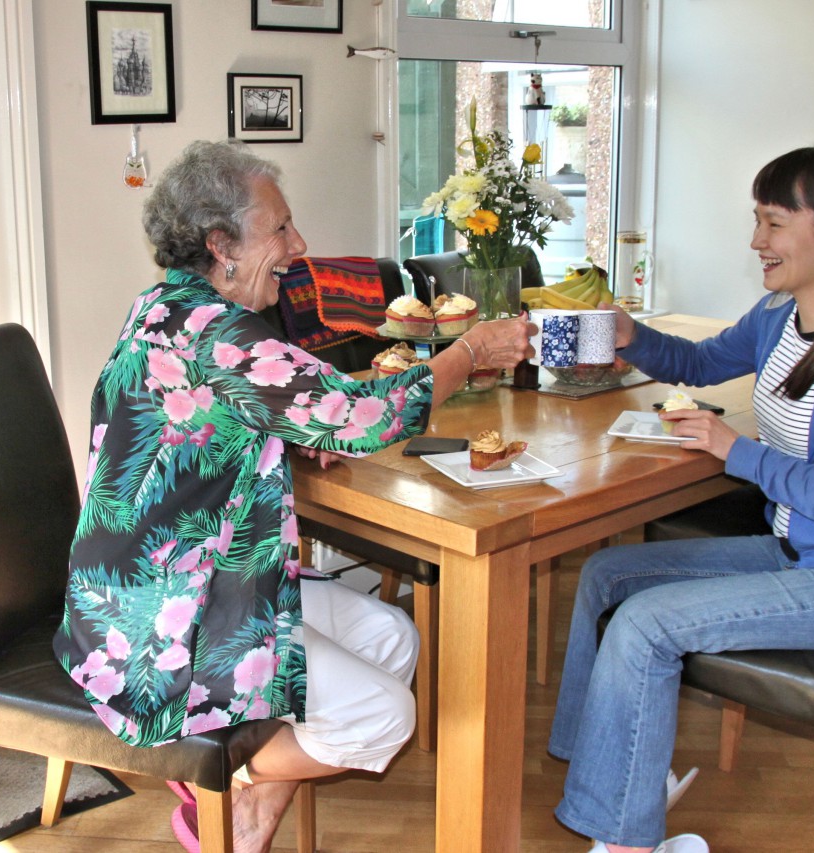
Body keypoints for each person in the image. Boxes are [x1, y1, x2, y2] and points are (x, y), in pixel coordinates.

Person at [52, 139, 534, 853]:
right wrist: (469, 352)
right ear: (222, 246)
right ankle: (213, 771)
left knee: (392, 636)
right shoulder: (217, 333)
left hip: (186, 581)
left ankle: (245, 824)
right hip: (161, 625)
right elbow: (365, 417)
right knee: (384, 717)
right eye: (279, 228)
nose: (298, 244)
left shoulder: (165, 305)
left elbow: (210, 419)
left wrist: (291, 432)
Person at [548, 146, 814, 853]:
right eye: (757, 220)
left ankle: (624, 840)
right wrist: (632, 336)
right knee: (607, 575)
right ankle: (615, 776)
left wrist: (737, 451)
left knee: (643, 624)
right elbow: (700, 363)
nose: (757, 240)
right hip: (794, 549)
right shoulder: (780, 314)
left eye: (774, 223)